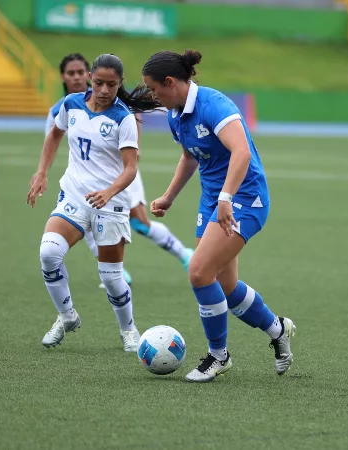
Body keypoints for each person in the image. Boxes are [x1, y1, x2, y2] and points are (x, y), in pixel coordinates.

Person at [142, 50, 296, 383]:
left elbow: (242, 151)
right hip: (214, 201)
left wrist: (226, 198)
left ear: (170, 82)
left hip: (245, 198)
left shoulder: (214, 105)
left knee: (199, 272)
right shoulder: (175, 115)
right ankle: (278, 329)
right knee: (223, 285)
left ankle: (218, 356)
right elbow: (189, 157)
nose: (153, 97)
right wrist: (169, 196)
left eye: (154, 89)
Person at [28, 54, 163, 352]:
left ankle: (128, 330)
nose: (104, 90)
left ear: (120, 84)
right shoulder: (71, 104)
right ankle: (67, 316)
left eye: (111, 85)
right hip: (74, 196)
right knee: (49, 253)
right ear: (90, 78)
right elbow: (54, 135)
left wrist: (109, 192)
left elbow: (131, 168)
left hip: (110, 204)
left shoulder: (123, 118)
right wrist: (41, 173)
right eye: (99, 82)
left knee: (112, 278)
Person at [46, 53, 194, 290]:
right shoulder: (61, 109)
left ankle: (184, 254)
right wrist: (41, 173)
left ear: (88, 75)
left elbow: (133, 116)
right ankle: (116, 272)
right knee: (83, 218)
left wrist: (137, 145)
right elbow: (52, 138)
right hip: (85, 178)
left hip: (121, 173)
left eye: (80, 72)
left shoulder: (112, 100)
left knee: (141, 224)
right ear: (62, 77)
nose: (76, 78)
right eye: (70, 73)